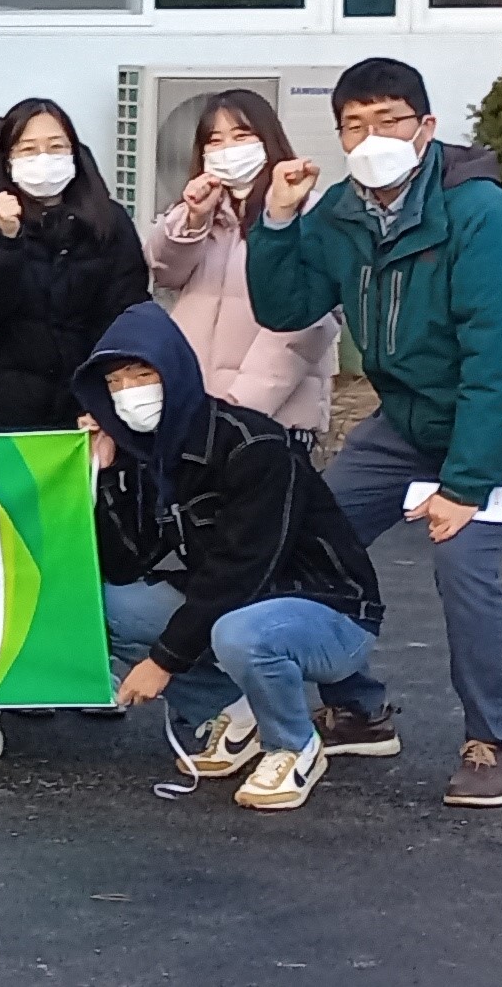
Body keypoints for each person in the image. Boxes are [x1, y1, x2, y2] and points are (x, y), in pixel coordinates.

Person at [246, 56, 502, 810]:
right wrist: (275, 221)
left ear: (426, 127)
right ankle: (357, 708)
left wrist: (464, 486)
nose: (372, 138)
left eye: (389, 120)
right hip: (410, 416)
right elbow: (285, 306)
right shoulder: (340, 212)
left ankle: (496, 743)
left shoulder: (484, 216)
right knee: (308, 534)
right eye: (354, 125)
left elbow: (500, 363)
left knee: (463, 555)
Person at [78, 302, 393, 813]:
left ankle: (294, 746)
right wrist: (107, 472)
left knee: (240, 631)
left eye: (142, 374)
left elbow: (243, 569)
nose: (129, 392)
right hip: (238, 610)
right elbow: (126, 565)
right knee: (108, 606)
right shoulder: (146, 454)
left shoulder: (254, 444)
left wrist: (164, 661)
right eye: (115, 383)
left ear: (175, 370)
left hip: (330, 612)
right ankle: (237, 712)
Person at [144, 88, 340, 457]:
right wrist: (193, 219)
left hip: (273, 418)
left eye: (241, 136)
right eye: (214, 141)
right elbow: (165, 274)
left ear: (268, 139)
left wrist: (238, 409)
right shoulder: (201, 210)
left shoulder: (309, 213)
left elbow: (305, 330)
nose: (228, 150)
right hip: (195, 410)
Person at [0, 98, 150, 431]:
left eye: (56, 147)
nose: (44, 159)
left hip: (84, 407)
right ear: (8, 160)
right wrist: (6, 239)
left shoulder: (107, 220)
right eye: (28, 149)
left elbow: (127, 312)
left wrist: (108, 401)